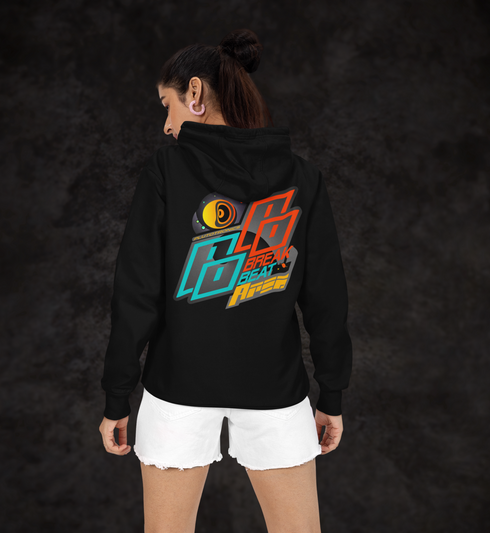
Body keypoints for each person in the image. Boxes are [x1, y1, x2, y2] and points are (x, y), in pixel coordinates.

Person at [98, 28, 352, 533]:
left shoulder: (166, 169)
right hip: (275, 386)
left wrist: (116, 396)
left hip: (177, 385)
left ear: (194, 93)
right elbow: (326, 299)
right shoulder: (302, 177)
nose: (166, 125)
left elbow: (136, 294)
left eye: (167, 105)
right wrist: (332, 395)